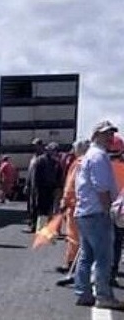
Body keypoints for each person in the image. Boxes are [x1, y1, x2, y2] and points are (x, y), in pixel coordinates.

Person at [73, 120, 124, 310]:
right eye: (106, 134)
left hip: (86, 212)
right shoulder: (99, 156)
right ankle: (104, 296)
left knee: (87, 255)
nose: (110, 137)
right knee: (104, 257)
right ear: (96, 136)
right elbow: (101, 187)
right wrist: (108, 210)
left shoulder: (89, 155)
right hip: (96, 212)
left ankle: (83, 292)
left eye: (111, 134)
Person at [58, 139, 90, 274]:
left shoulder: (78, 163)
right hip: (88, 206)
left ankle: (72, 264)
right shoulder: (92, 162)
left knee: (73, 236)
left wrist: (64, 201)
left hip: (75, 205)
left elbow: (71, 185)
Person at [31, 142, 64, 231]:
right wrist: (35, 189)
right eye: (53, 150)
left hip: (51, 189)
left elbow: (59, 176)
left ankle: (47, 229)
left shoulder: (56, 162)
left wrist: (59, 187)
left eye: (56, 150)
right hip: (41, 189)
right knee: (41, 209)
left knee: (50, 209)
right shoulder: (40, 160)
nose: (55, 152)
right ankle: (41, 229)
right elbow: (36, 176)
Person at [108, 133, 124, 287]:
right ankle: (111, 274)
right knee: (117, 244)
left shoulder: (102, 165)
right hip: (120, 212)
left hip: (104, 208)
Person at [24, 138, 46, 233]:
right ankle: (31, 224)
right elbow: (29, 173)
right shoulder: (33, 158)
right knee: (31, 206)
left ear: (41, 146)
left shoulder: (43, 158)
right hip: (32, 186)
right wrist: (27, 185)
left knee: (38, 207)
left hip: (40, 187)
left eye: (36, 145)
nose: (34, 147)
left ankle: (36, 226)